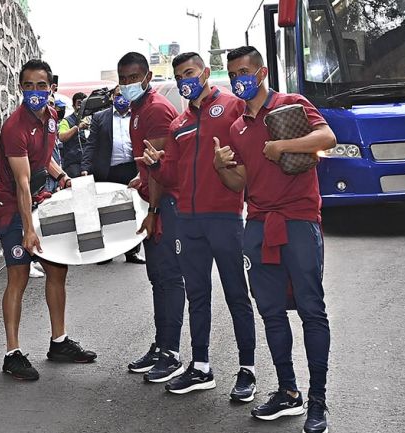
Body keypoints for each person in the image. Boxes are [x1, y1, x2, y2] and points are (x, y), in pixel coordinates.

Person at [214, 46, 335, 433]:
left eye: (245, 71)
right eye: (233, 74)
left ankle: (318, 401)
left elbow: (327, 137)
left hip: (299, 220)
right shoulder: (236, 127)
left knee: (312, 310)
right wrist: (221, 169)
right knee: (270, 311)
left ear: (262, 72)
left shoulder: (292, 105)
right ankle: (288, 392)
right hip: (259, 225)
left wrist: (282, 145)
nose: (239, 80)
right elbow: (242, 182)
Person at [139, 52, 257, 400]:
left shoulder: (234, 106)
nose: (185, 81)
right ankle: (201, 366)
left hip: (225, 217)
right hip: (188, 222)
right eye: (179, 77)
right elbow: (173, 175)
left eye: (190, 73)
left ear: (205, 72)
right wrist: (155, 166)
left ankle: (247, 369)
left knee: (238, 294)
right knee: (198, 296)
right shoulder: (178, 124)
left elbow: (250, 154)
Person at [0, 59, 97, 381]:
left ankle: (59, 342)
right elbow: (21, 183)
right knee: (18, 277)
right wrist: (28, 231)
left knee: (57, 269)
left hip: (40, 200)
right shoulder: (14, 127)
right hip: (12, 206)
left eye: (41, 86)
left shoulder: (50, 118)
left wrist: (62, 177)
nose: (35, 92)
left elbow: (44, 157)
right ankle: (12, 353)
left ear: (51, 88)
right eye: (28, 86)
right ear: (21, 88)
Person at [117, 52, 185, 383]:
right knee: (158, 279)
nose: (128, 84)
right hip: (156, 200)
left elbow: (159, 168)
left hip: (167, 204)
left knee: (169, 279)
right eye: (123, 78)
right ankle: (162, 346)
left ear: (146, 77)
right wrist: (139, 180)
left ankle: (170, 354)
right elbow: (149, 167)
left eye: (133, 77)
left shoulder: (155, 110)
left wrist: (154, 212)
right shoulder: (136, 111)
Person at [80, 87, 145, 265]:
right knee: (106, 213)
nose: (121, 98)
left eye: (124, 95)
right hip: (107, 170)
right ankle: (106, 252)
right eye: (117, 95)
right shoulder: (100, 117)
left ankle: (132, 251)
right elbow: (91, 145)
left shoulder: (138, 116)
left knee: (132, 212)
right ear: (111, 97)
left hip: (132, 170)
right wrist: (85, 167)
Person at [57, 92, 90, 177]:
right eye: (79, 103)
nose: (82, 106)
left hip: (89, 162)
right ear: (73, 106)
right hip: (73, 164)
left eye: (84, 103)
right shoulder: (66, 121)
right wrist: (77, 128)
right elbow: (61, 137)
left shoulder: (92, 119)